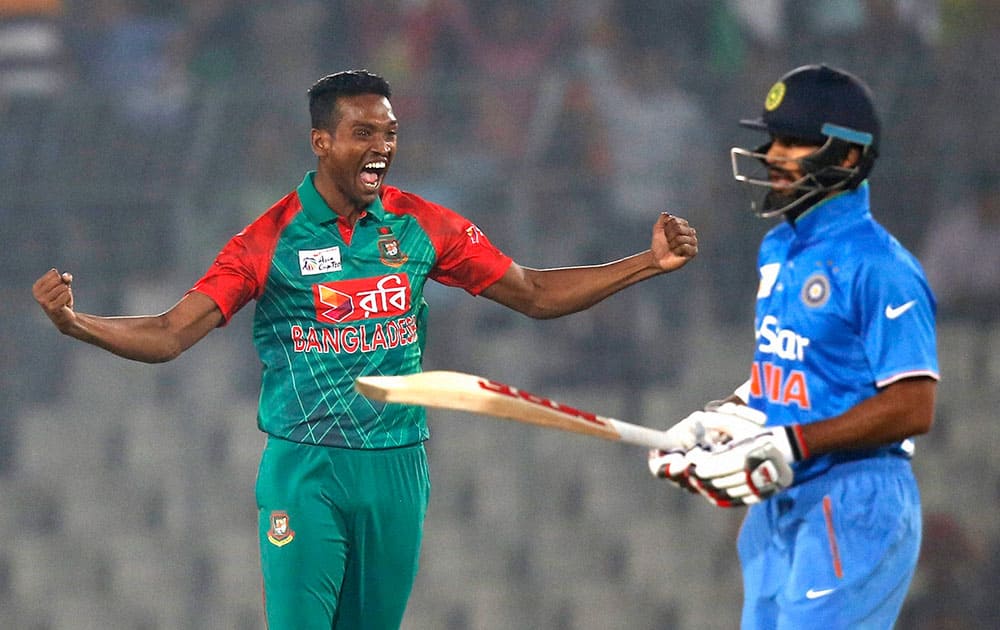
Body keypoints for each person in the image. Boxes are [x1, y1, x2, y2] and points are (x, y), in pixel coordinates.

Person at [33, 69, 698, 629]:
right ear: (321, 141)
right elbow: (172, 332)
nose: (381, 147)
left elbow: (533, 294)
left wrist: (647, 262)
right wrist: (78, 324)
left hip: (398, 468)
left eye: (389, 133)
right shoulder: (268, 240)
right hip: (307, 468)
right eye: (363, 133)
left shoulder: (421, 224)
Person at [646, 64, 938, 629]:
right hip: (781, 497)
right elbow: (789, 370)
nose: (774, 154)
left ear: (848, 157)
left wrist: (793, 441)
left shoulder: (881, 266)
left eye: (795, 141)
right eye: (773, 138)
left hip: (854, 497)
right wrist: (721, 420)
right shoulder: (779, 247)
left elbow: (913, 405)